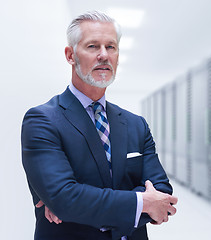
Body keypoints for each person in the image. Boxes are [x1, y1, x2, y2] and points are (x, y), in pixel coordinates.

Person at [21, 11, 177, 240]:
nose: (104, 55)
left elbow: (162, 193)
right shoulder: (43, 121)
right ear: (70, 55)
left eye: (111, 47)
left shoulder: (136, 124)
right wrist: (142, 202)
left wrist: (78, 206)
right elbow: (65, 198)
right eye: (93, 46)